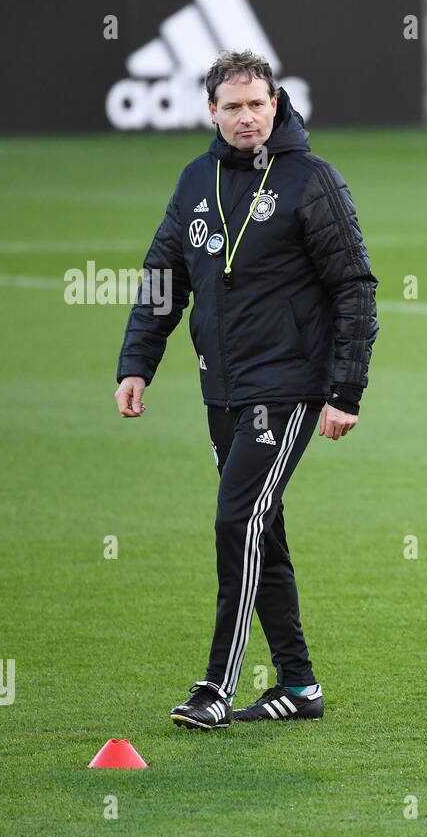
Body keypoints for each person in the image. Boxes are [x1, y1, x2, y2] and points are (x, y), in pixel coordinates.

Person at [114, 49, 378, 730]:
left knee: (237, 521)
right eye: (232, 106)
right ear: (211, 111)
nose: (246, 117)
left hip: (286, 387)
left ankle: (215, 689)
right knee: (262, 527)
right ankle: (300, 686)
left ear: (276, 104)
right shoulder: (195, 179)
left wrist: (344, 391)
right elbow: (162, 277)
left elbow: (355, 287)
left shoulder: (311, 181)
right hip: (220, 388)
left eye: (257, 104)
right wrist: (136, 363)